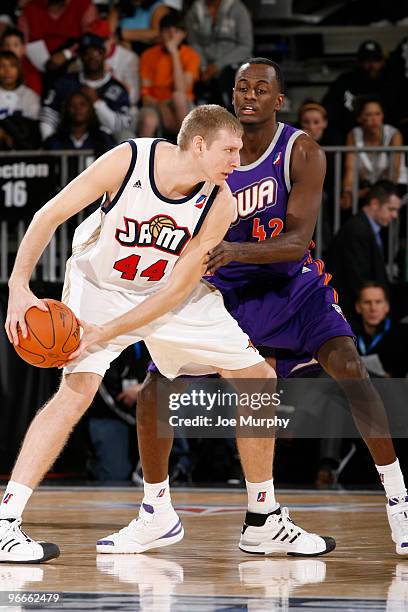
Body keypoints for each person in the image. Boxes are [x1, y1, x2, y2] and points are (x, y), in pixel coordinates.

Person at [1, 104, 334, 562]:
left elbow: (176, 290)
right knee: (76, 391)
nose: (238, 162)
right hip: (100, 285)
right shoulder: (128, 161)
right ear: (198, 145)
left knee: (258, 379)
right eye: (230, 150)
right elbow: (49, 214)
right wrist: (19, 286)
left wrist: (109, 333)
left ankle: (262, 520)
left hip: (167, 294)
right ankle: (6, 523)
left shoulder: (221, 203)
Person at [137, 58, 408, 557]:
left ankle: (398, 498)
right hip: (226, 292)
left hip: (291, 283)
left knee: (351, 370)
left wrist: (234, 249)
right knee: (159, 384)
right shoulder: (215, 149)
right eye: (242, 87)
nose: (249, 95)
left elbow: (297, 239)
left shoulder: (301, 151)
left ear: (277, 100)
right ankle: (158, 510)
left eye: (261, 89)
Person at [329, 180, 401, 320]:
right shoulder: (357, 230)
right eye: (391, 209)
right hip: (352, 315)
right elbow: (358, 279)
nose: (395, 215)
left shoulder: (366, 228)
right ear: (374, 203)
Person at [40, 32, 131, 141]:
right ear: (80, 57)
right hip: (68, 142)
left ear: (104, 54)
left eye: (96, 52)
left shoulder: (117, 88)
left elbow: (121, 127)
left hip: (105, 146)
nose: (92, 57)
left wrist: (97, 103)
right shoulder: (66, 82)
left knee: (127, 137)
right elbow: (49, 113)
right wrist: (49, 142)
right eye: (86, 53)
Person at [139, 10, 200, 137]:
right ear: (160, 33)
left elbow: (181, 90)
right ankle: (142, 156)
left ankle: (187, 148)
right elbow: (145, 96)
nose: (172, 35)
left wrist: (174, 53)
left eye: (176, 31)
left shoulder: (191, 55)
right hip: (155, 104)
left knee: (178, 97)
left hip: (184, 105)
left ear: (184, 34)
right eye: (167, 30)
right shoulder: (148, 55)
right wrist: (160, 105)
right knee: (148, 120)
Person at [186, 0, 253, 107]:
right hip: (203, 62)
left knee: (228, 78)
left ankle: (232, 117)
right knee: (191, 76)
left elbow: (245, 47)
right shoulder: (194, 12)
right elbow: (193, 44)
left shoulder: (238, 9)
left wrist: (217, 66)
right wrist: (203, 67)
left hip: (232, 62)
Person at [341, 97, 404, 210]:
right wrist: (348, 191)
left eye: (377, 114)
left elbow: (394, 172)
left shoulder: (393, 134)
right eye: (368, 114)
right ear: (359, 118)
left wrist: (375, 192)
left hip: (395, 187)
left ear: (382, 116)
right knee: (346, 201)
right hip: (367, 189)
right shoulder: (354, 135)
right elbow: (349, 169)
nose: (374, 119)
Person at [322, 40, 388, 144]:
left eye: (375, 60)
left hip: (382, 137)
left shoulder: (391, 83)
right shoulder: (345, 81)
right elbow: (328, 110)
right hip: (346, 136)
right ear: (358, 62)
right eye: (366, 60)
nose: (371, 65)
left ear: (382, 62)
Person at [354, 282, 408, 378]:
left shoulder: (404, 335)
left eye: (378, 302)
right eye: (367, 302)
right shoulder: (349, 335)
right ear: (358, 307)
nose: (373, 308)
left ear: (387, 306)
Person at [43, 91, 116, 159]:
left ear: (90, 108)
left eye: (82, 104)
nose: (77, 108)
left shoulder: (104, 139)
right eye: (72, 105)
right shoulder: (54, 141)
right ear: (66, 109)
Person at [0, 27, 42, 96]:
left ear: (23, 49)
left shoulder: (31, 72)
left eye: (15, 45)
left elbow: (34, 98)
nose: (11, 49)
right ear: (1, 48)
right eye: (7, 45)